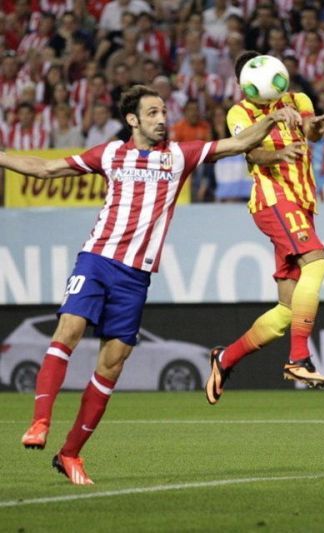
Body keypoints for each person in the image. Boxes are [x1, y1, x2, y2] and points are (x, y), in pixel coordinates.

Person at [17, 84, 303, 485]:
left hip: (136, 277)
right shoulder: (111, 153)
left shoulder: (179, 155)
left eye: (163, 111)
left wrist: (270, 118)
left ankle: (69, 455)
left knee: (112, 364)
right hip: (97, 259)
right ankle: (40, 421)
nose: (161, 118)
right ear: (132, 120)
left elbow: (236, 144)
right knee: (69, 328)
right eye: (152, 113)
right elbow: (46, 169)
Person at [204, 52, 324, 405]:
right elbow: (250, 153)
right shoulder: (240, 113)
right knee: (318, 262)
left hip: (302, 203)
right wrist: (277, 153)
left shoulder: (299, 99)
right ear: (243, 84)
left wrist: (314, 131)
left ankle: (225, 359)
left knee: (285, 312)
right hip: (273, 200)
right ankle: (298, 358)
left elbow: (307, 130)